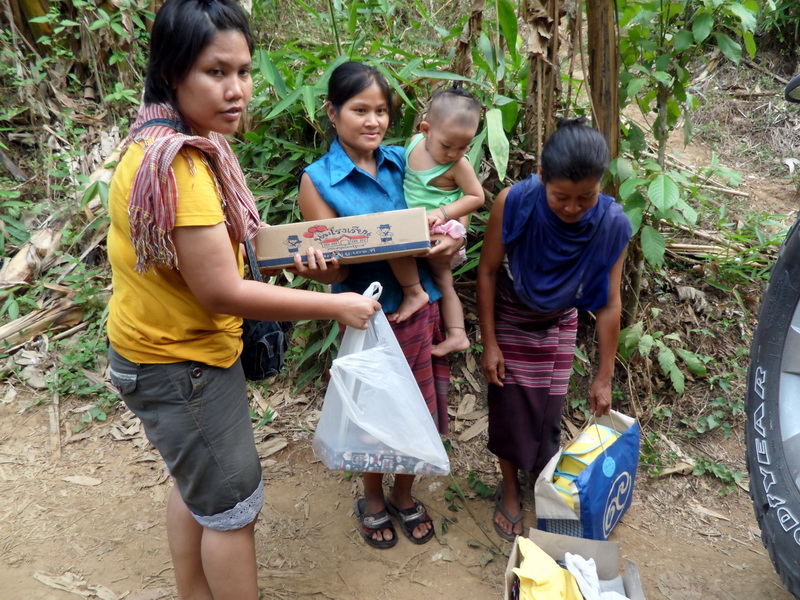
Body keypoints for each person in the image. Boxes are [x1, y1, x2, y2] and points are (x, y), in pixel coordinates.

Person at [105, 3, 379, 598]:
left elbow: (229, 248)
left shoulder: (167, 139)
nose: (237, 90)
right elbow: (221, 290)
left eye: (244, 71)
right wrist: (337, 305)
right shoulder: (180, 167)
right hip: (181, 363)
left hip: (160, 350)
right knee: (233, 507)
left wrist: (297, 253)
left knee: (199, 487)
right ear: (172, 72)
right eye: (216, 72)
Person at [295, 61, 464, 549]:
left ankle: (404, 493)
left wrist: (451, 238)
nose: (373, 121)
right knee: (374, 415)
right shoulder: (318, 181)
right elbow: (336, 272)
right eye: (359, 110)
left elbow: (440, 210)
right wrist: (319, 271)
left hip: (420, 309)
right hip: (369, 317)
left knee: (418, 409)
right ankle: (372, 497)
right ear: (332, 113)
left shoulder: (401, 160)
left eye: (382, 111)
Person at [477, 117, 632, 541]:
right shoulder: (514, 202)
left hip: (561, 318)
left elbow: (609, 304)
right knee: (509, 408)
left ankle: (540, 478)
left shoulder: (612, 225)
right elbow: (487, 272)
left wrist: (604, 377)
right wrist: (490, 343)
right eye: (561, 196)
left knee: (548, 411)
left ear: (601, 185)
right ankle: (510, 488)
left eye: (586, 198)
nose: (572, 208)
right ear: (542, 175)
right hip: (512, 312)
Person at [387, 86, 484, 357]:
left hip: (440, 228)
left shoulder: (458, 165)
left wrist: (443, 213)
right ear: (425, 129)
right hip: (415, 224)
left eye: (463, 147)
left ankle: (457, 334)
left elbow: (475, 196)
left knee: (443, 281)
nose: (454, 153)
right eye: (447, 145)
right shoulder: (414, 143)